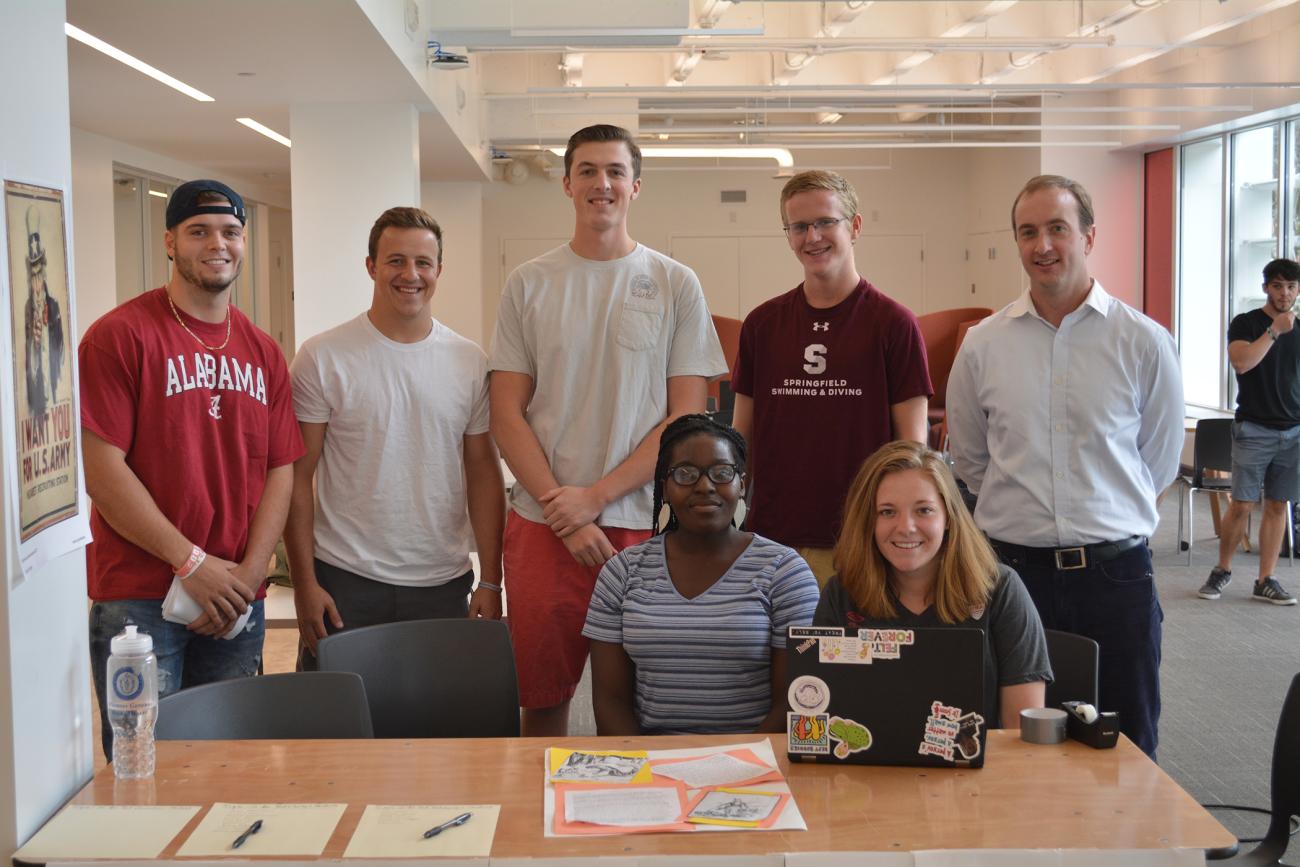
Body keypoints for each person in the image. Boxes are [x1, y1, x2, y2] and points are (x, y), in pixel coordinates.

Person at [489, 124, 728, 736]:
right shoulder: (529, 282)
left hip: (643, 524)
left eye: (616, 171)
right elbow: (506, 412)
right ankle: (536, 824)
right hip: (544, 524)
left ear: (636, 186)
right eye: (589, 171)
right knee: (542, 699)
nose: (603, 183)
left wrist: (592, 499)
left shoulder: (676, 282)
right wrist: (561, 507)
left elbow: (686, 417)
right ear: (568, 184)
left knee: (642, 701)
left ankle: (634, 825)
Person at [946, 174, 1184, 758]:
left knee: (1126, 737)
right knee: (1006, 740)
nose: (1043, 245)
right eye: (1028, 232)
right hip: (1009, 575)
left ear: (1089, 236)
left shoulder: (1144, 342)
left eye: (1058, 228)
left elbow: (1158, 459)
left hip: (1115, 574)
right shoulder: (982, 345)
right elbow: (972, 461)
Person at [79, 179, 303, 758]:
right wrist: (192, 562)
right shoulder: (119, 337)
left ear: (245, 242)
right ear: (170, 243)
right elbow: (103, 471)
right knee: (144, 767)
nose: (217, 244)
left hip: (234, 599)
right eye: (199, 231)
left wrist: (251, 576)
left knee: (229, 765)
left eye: (230, 232)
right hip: (139, 600)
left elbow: (282, 468)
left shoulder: (263, 351)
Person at [285, 207, 506, 670]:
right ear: (371, 266)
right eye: (396, 261)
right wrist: (304, 584)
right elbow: (296, 477)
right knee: (339, 731)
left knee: (434, 732)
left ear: (439, 271)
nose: (411, 275)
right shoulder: (323, 357)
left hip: (441, 582)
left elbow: (483, 471)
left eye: (423, 263)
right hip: (345, 580)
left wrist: (491, 580)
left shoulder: (468, 361)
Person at [731, 170, 931, 585]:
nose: (812, 237)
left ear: (854, 227)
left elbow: (912, 451)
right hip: (772, 539)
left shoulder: (894, 324)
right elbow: (741, 438)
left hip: (860, 541)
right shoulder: (762, 325)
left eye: (825, 222)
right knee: (781, 652)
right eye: (799, 226)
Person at [583, 414, 819, 734]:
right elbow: (611, 703)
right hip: (652, 767)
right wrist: (645, 772)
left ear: (742, 485)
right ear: (664, 488)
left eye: (722, 473)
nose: (705, 486)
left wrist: (737, 768)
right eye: (686, 474)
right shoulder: (621, 572)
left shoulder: (785, 572)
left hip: (755, 768)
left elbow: (797, 701)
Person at [813, 441, 1052, 728]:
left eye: (924, 510)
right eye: (887, 512)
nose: (906, 527)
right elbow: (821, 714)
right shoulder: (841, 593)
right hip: (867, 769)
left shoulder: (1000, 589)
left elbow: (1022, 735)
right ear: (869, 522)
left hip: (980, 771)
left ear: (949, 517)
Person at [1199, 258, 1300, 606]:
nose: (1284, 293)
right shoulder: (1247, 323)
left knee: (1277, 505)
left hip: (1293, 433)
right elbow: (1242, 362)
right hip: (1254, 429)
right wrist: (1274, 331)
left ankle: (1265, 579)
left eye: (1291, 286)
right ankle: (1222, 569)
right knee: (1241, 504)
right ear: (1266, 289)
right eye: (1277, 286)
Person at [23, 205, 65, 417]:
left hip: (53, 375)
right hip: (38, 381)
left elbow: (60, 346)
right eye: (34, 276)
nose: (37, 281)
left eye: (40, 274)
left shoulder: (54, 305)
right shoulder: (28, 309)